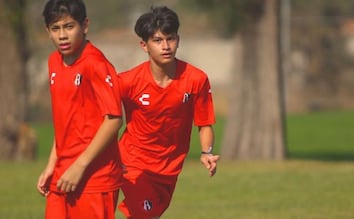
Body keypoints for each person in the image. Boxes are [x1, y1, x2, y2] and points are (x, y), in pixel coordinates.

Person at [117, 6, 220, 219]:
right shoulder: (127, 82)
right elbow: (104, 114)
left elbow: (204, 123)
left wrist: (206, 152)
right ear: (144, 45)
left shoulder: (196, 79)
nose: (166, 46)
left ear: (178, 40)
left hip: (169, 168)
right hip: (133, 164)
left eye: (170, 39)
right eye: (157, 40)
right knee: (145, 215)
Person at [36, 0, 122, 218]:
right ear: (48, 31)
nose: (62, 35)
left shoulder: (96, 63)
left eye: (69, 26)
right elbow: (66, 121)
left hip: (95, 177)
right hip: (62, 173)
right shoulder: (54, 61)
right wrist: (51, 165)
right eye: (56, 28)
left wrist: (79, 166)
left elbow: (113, 119)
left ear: (84, 26)